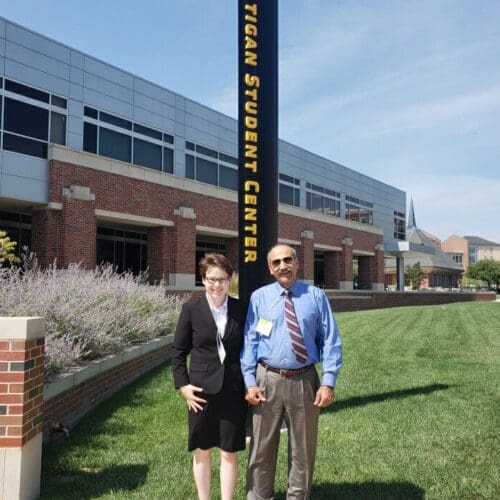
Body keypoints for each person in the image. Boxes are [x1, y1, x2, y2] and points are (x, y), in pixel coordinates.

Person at [241, 244, 342, 500]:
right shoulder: (259, 297)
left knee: (303, 450)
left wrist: (328, 382)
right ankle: (259, 496)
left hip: (304, 380)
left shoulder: (316, 296)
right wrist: (249, 382)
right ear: (270, 268)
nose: (283, 266)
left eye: (288, 260)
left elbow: (331, 340)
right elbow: (251, 341)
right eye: (277, 262)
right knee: (261, 448)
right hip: (267, 380)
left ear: (297, 263)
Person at [172, 253, 246, 500]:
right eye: (212, 279)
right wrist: (183, 386)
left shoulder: (240, 309)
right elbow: (178, 352)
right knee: (202, 450)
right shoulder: (191, 309)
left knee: (229, 452)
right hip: (200, 392)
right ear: (203, 280)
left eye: (222, 279)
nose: (217, 285)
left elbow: (250, 347)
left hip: (233, 389)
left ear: (230, 279)